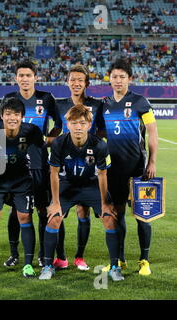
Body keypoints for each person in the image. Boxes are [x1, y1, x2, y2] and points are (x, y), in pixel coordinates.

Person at [41, 104, 123, 281]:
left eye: (82, 123)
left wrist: (104, 203)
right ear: (67, 124)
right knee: (54, 218)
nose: (78, 126)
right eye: (74, 123)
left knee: (109, 218)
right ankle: (48, 266)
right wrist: (55, 202)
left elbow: (102, 175)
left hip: (91, 185)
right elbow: (53, 173)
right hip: (67, 185)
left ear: (88, 124)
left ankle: (115, 267)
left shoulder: (100, 146)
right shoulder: (58, 143)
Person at [96, 58, 158, 276]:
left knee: (143, 215)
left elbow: (152, 132)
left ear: (130, 79)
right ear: (109, 79)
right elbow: (100, 133)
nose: (118, 80)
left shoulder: (140, 101)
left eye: (122, 77)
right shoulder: (104, 104)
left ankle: (144, 260)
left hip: (138, 169)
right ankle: (119, 260)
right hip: (115, 171)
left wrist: (151, 161)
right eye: (114, 77)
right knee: (117, 214)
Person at [1, 59, 61, 268]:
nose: (25, 79)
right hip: (13, 163)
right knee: (16, 210)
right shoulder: (9, 98)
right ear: (16, 78)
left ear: (35, 77)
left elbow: (59, 124)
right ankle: (14, 253)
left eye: (28, 75)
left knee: (43, 209)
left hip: (39, 163)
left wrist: (47, 140)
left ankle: (43, 253)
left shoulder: (46, 98)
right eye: (21, 75)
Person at [0, 97, 45, 278]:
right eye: (8, 114)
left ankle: (28, 265)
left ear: (22, 116)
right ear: (1, 115)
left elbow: (42, 150)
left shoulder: (32, 131)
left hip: (22, 181)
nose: (12, 118)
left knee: (24, 217)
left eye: (16, 114)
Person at [53, 64, 105, 271]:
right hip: (65, 167)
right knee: (59, 213)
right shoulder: (58, 105)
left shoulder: (97, 105)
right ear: (67, 82)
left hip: (89, 167)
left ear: (86, 84)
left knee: (83, 211)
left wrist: (88, 145)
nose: (76, 83)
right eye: (72, 80)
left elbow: (101, 131)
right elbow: (56, 129)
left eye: (80, 80)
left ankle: (80, 257)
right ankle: (61, 256)